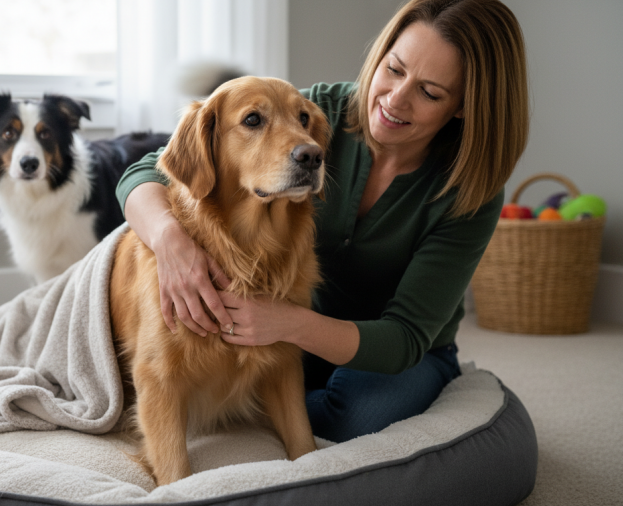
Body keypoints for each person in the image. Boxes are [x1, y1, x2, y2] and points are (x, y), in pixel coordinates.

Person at [114, 0, 529, 443]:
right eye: (393, 69)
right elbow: (146, 171)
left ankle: (239, 409)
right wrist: (168, 240)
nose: (395, 99)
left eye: (429, 93)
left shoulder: (470, 190)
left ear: (463, 107)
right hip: (285, 341)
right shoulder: (310, 112)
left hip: (385, 349)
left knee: (359, 417)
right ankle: (244, 403)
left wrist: (285, 323)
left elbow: (406, 338)